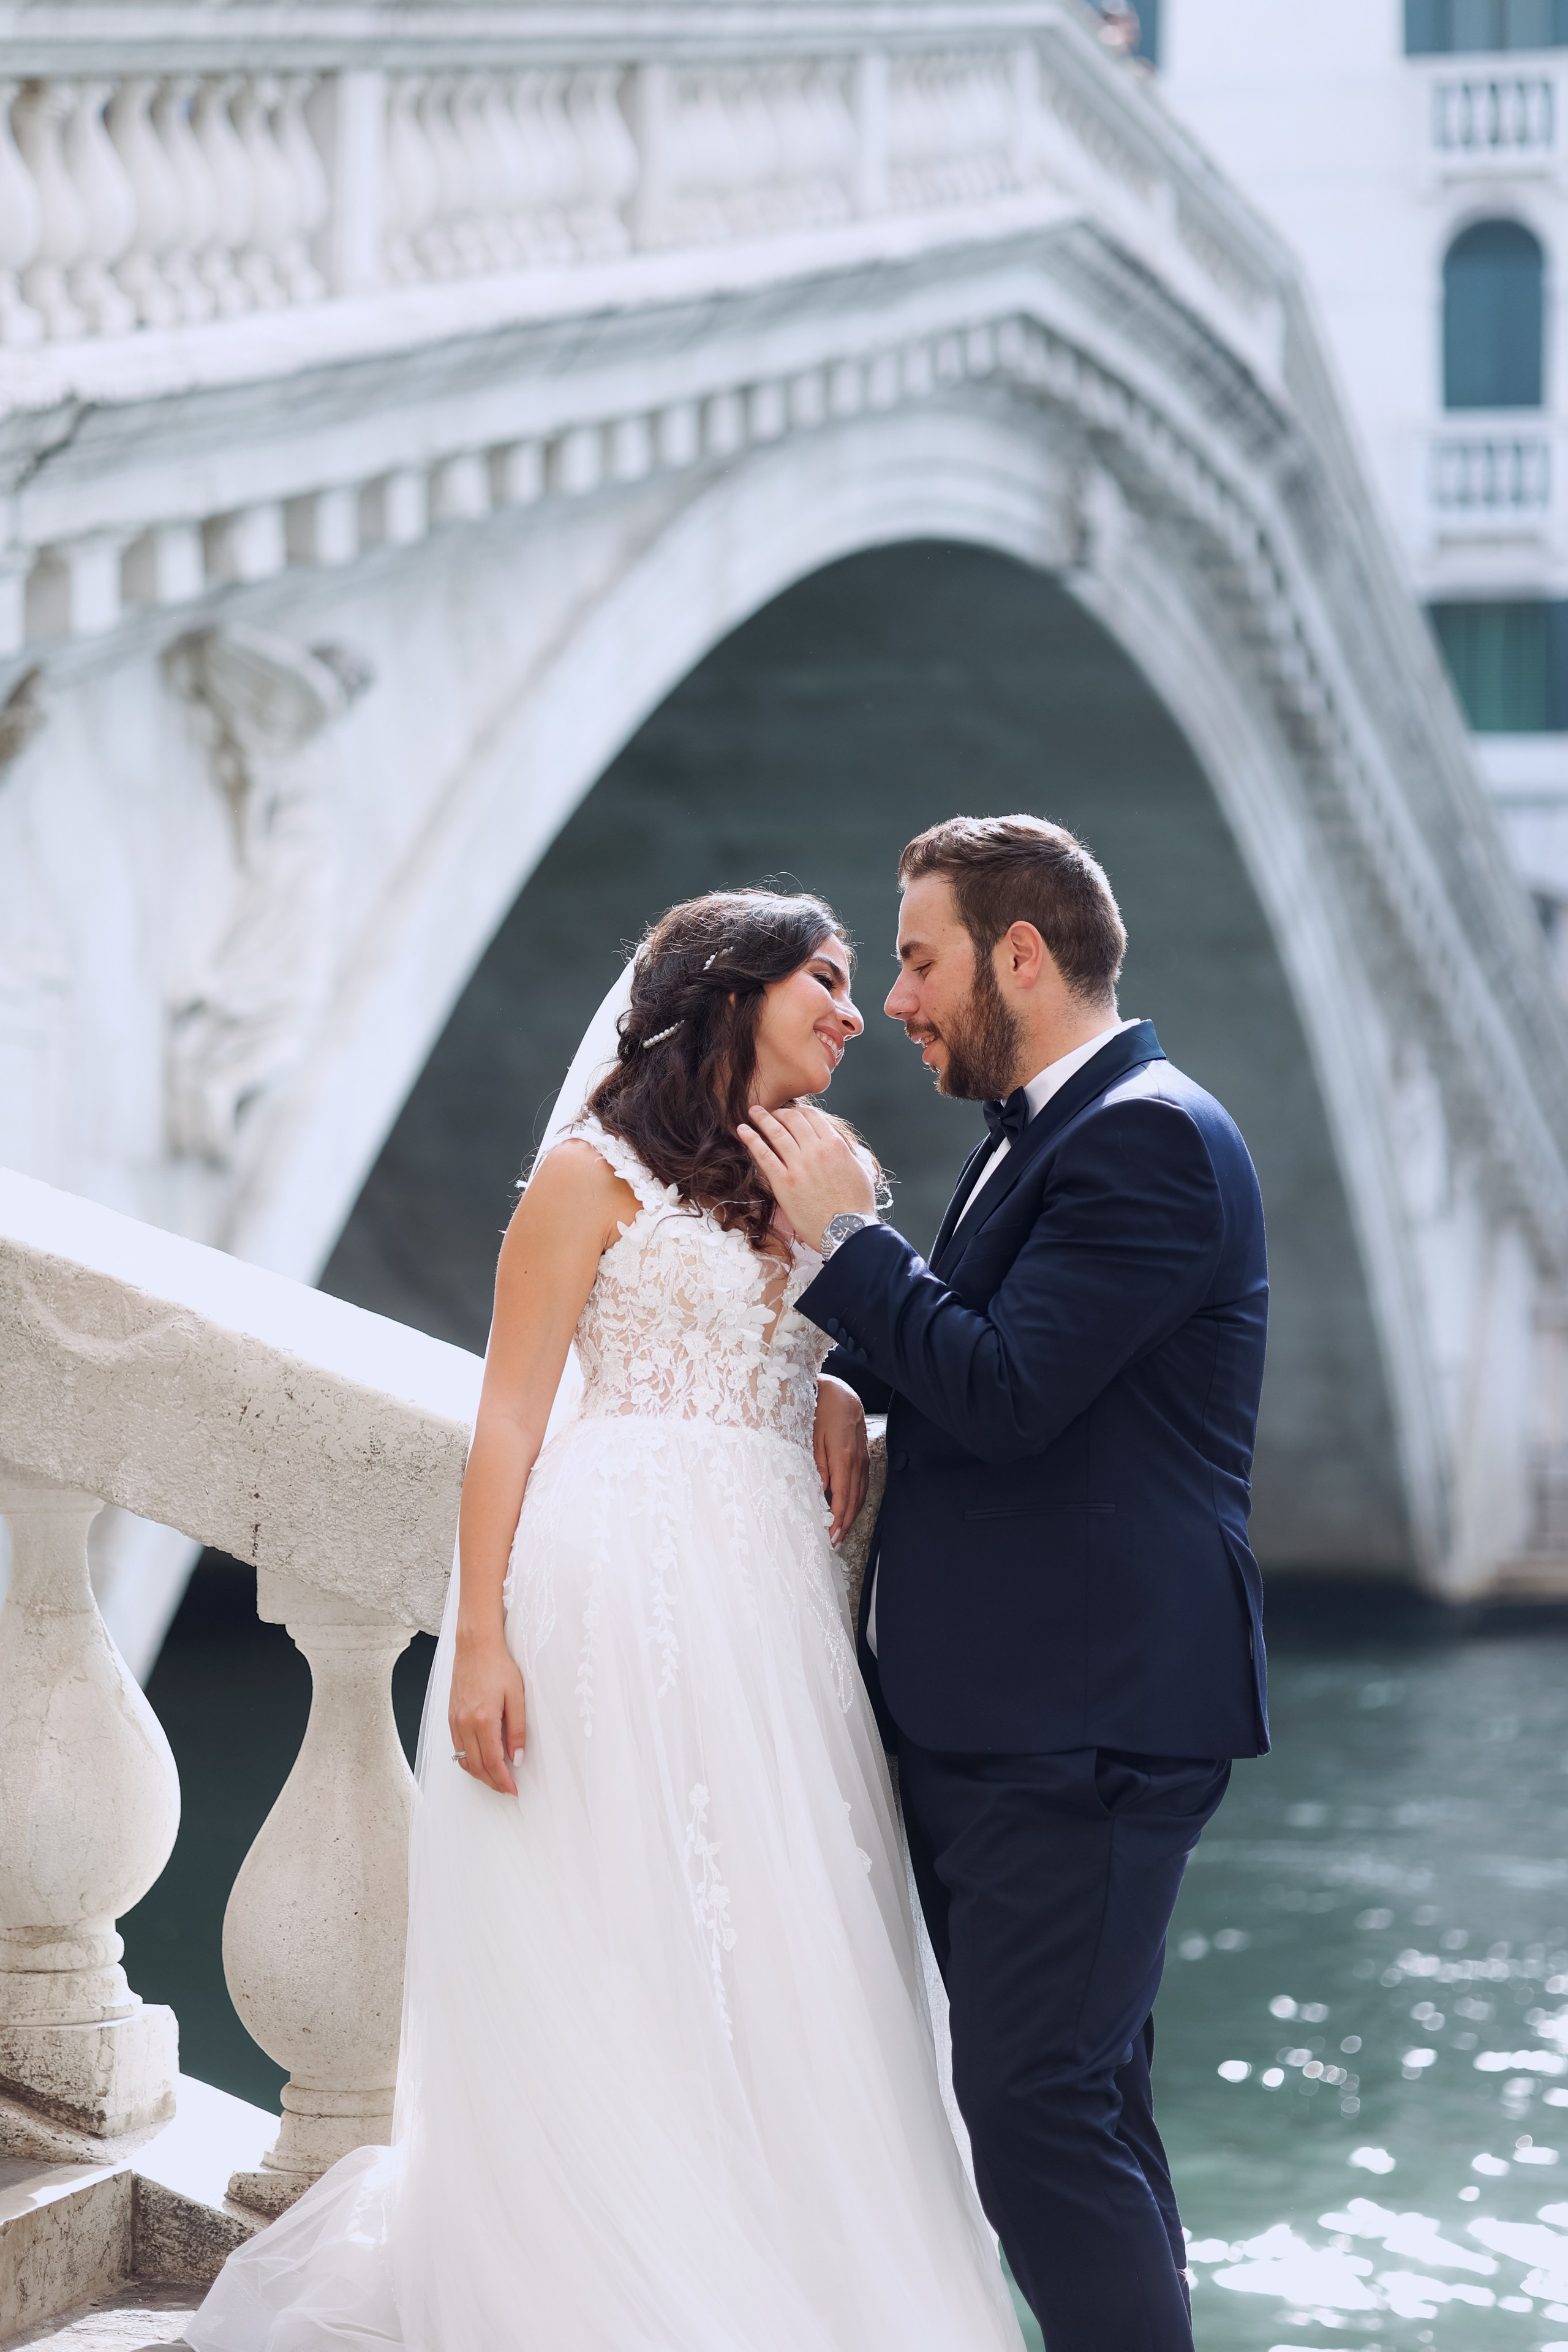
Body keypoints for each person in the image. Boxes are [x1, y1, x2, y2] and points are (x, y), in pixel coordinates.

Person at [187, 888, 1025, 2352]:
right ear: (728, 989)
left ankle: (778, 2264)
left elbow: (857, 1329)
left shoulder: (838, 1172)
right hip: (608, 1577)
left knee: (783, 1936)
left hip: (769, 1603)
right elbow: (508, 1421)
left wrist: (838, 1387)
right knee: (614, 1918)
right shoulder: (591, 1176)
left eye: (858, 985)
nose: (851, 1010)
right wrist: (486, 1639)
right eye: (824, 980)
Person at [739, 814, 1270, 2352]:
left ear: (1018, 956)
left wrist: (845, 1238)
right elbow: (1006, 1389)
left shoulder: (1145, 1136)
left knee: (1034, 2114)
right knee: (1079, 2110)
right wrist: (856, 1384)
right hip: (1019, 1714)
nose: (893, 1001)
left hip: (1085, 1723)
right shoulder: (1043, 1134)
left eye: (916, 959)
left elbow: (1018, 1390)